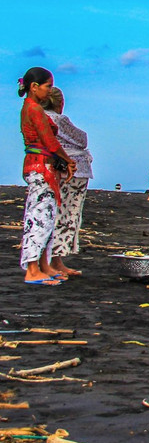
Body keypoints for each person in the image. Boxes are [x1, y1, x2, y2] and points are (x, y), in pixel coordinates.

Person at [17, 68, 75, 285]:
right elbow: (49, 141)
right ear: (34, 87)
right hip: (40, 166)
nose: (49, 90)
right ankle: (32, 269)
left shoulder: (30, 108)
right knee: (39, 218)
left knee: (47, 217)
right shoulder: (34, 109)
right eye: (47, 86)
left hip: (41, 166)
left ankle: (43, 265)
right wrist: (68, 160)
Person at [43, 87, 93, 278]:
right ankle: (55, 260)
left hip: (52, 168)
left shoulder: (37, 118)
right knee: (66, 214)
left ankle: (51, 260)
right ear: (59, 103)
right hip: (72, 169)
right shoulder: (57, 119)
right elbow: (82, 139)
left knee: (53, 212)